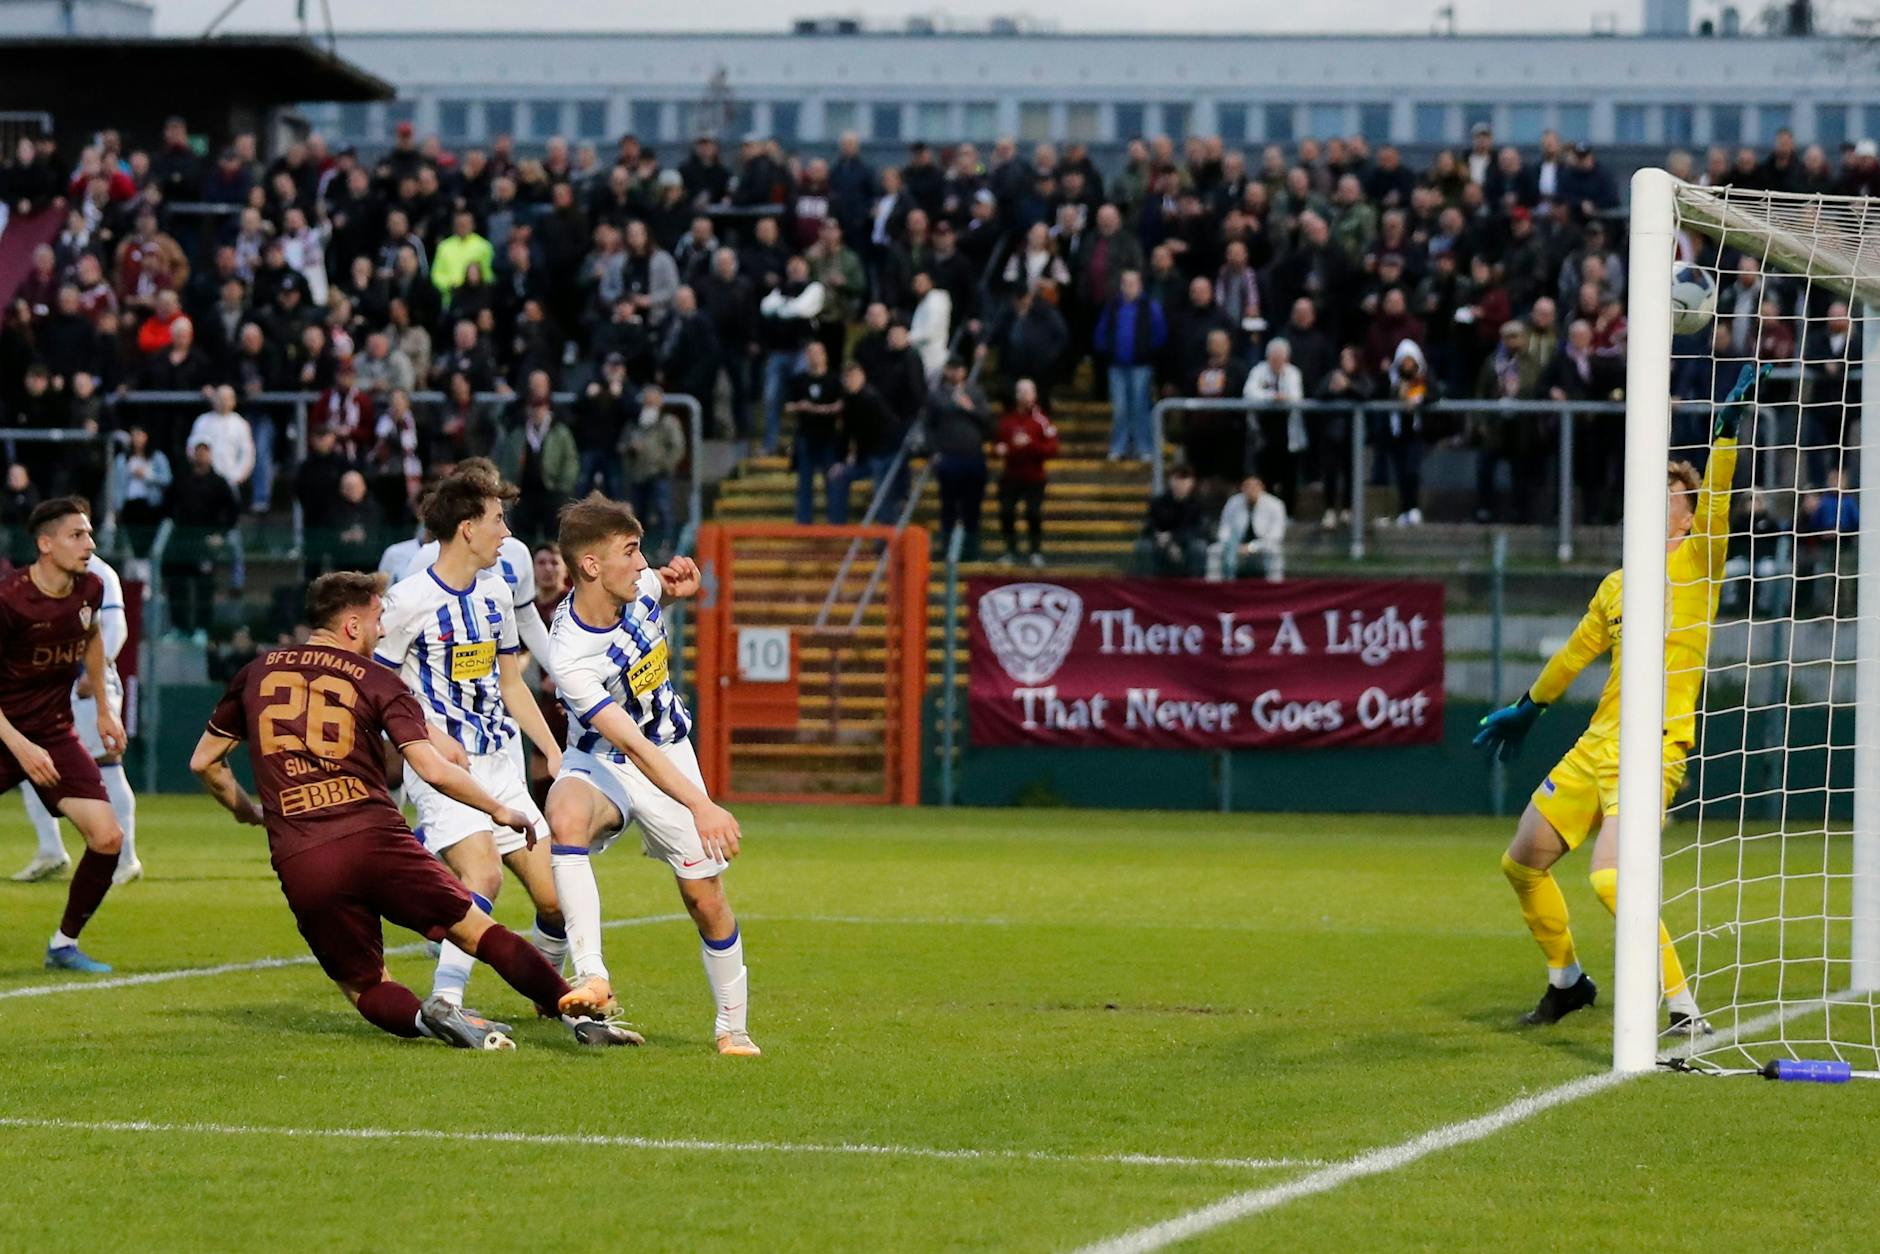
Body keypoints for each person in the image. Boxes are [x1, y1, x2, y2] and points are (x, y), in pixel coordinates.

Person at [188, 571, 637, 1049]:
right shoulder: (378, 680)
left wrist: (247, 810)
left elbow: (205, 763)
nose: (383, 631)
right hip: (375, 838)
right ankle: (579, 1020)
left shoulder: (258, 672)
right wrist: (498, 810)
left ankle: (430, 1021)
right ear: (352, 626)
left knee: (366, 986)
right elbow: (433, 768)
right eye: (378, 620)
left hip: (302, 855)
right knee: (478, 932)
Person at [1474, 364, 1768, 1038]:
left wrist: (1723, 438)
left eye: (1669, 489)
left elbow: (1720, 499)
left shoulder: (1699, 562)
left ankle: (1684, 1006)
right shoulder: (1618, 584)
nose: (1656, 496)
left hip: (1653, 745)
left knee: (1610, 880)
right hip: (1599, 742)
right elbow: (1576, 653)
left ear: (1687, 508)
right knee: (1521, 862)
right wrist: (1531, 704)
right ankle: (1568, 982)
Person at [542, 495, 758, 1056]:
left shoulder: (638, 591)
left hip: (670, 748)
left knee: (704, 897)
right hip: (604, 759)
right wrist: (703, 805)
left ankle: (732, 1029)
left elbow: (662, 584)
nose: (643, 564)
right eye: (631, 552)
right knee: (564, 814)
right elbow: (630, 746)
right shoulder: (568, 653)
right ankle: (591, 974)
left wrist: (677, 586)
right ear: (591, 566)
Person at [376, 475, 572, 1027]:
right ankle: (448, 1002)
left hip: (500, 762)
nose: (505, 534)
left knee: (556, 899)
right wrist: (426, 738)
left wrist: (550, 749)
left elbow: (511, 683)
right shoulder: (407, 601)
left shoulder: (495, 592)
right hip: (440, 768)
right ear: (467, 529)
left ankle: (545, 994)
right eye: (497, 521)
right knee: (483, 877)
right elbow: (379, 690)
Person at [0, 498, 127, 972]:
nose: (89, 544)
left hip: (52, 731)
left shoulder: (89, 587)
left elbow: (92, 637)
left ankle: (63, 944)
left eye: (90, 534)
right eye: (78, 535)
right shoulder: (9, 600)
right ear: (45, 543)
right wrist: (18, 745)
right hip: (5, 730)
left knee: (108, 837)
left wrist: (102, 707)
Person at [16, 540, 140, 886]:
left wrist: (93, 675)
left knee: (106, 767)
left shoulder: (100, 574)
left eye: (82, 531)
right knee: (30, 765)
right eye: (74, 533)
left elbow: (114, 629)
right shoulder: (40, 578)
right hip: (46, 692)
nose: (84, 541)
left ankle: (126, 858)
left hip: (86, 690)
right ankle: (51, 850)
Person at [1092, 269, 1167, 462]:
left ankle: (1144, 447)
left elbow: (1160, 333)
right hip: (1117, 366)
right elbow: (1101, 331)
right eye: (1125, 283)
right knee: (1120, 408)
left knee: (1141, 406)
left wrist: (1147, 352)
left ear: (1140, 285)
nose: (1128, 287)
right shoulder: (1113, 306)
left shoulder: (1150, 306)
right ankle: (1119, 446)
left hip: (1141, 366)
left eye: (1133, 283)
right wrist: (1106, 350)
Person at [922, 357, 993, 558]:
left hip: (973, 456)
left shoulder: (975, 393)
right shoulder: (937, 395)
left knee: (972, 505)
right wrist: (933, 451)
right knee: (948, 505)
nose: (955, 373)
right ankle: (947, 548)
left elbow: (988, 422)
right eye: (951, 369)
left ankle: (971, 550)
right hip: (949, 456)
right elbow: (929, 426)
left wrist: (970, 409)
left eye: (959, 369)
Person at [994, 379, 1059, 568]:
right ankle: (1010, 550)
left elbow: (1052, 449)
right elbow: (998, 444)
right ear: (1016, 395)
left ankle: (1035, 551)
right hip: (1011, 475)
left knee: (1033, 512)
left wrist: (1030, 444)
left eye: (1030, 392)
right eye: (1022, 392)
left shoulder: (1042, 420)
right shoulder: (1007, 421)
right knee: (1006, 511)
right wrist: (999, 449)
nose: (1026, 396)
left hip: (1034, 477)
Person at [785, 341, 847, 525]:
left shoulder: (834, 380)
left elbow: (842, 405)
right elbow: (787, 405)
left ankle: (835, 523)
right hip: (806, 437)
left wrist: (821, 409)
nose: (814, 356)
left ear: (825, 355)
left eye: (818, 352)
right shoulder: (799, 380)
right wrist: (801, 406)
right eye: (810, 353)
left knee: (832, 483)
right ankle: (804, 522)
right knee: (805, 483)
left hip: (829, 437)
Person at [1210, 475, 1288, 582]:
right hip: (1236, 544)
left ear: (1262, 488)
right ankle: (1216, 587)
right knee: (1214, 550)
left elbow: (1276, 534)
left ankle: (1274, 588)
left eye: (1255, 486)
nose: (1251, 490)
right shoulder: (1233, 502)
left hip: (1263, 544)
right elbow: (1224, 527)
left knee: (1275, 551)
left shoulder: (1275, 505)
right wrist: (1233, 544)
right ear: (1242, 488)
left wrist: (1252, 546)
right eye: (1248, 486)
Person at [1137, 462, 1208, 576]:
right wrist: (1159, 537)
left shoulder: (1199, 504)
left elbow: (1199, 530)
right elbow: (1149, 526)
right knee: (1144, 546)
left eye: (1184, 479)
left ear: (1192, 483)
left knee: (1198, 547)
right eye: (1177, 479)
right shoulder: (1158, 502)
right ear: (1170, 481)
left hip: (1186, 545)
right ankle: (1146, 589)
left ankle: (1195, 588)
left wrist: (1174, 539)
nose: (1180, 483)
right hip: (1160, 544)